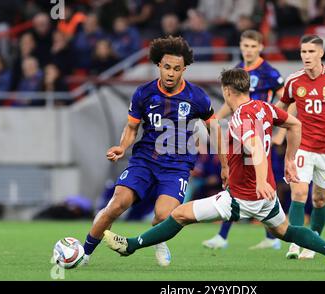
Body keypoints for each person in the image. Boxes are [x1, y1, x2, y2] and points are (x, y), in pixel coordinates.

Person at [103, 68, 325, 272]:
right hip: (268, 197)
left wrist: (260, 181)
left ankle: (131, 246)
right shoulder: (263, 107)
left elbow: (255, 147)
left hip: (243, 198)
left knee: (179, 214)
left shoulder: (239, 118)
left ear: (226, 91)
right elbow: (294, 124)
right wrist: (289, 159)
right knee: (286, 231)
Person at [80, 36, 227, 267]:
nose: (171, 73)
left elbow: (215, 130)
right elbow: (131, 128)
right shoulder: (143, 93)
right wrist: (122, 146)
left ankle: (159, 240)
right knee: (116, 205)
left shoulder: (197, 97)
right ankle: (84, 253)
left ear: (184, 69)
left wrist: (225, 165)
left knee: (163, 215)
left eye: (177, 69)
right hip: (145, 160)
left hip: (177, 165)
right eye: (167, 67)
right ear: (158, 64)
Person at [202, 29, 286, 250]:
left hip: (258, 135)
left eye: (252, 46)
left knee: (260, 182)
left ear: (260, 47)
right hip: (241, 131)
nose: (248, 50)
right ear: (240, 46)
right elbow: (232, 101)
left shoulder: (268, 71)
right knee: (237, 180)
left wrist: (279, 130)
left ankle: (272, 236)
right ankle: (266, 237)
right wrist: (215, 118)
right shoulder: (239, 70)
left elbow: (287, 99)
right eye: (245, 45)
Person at [275, 34, 325, 260]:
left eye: (311, 52)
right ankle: (295, 244)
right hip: (303, 146)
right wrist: (271, 123)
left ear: (321, 53)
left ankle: (313, 243)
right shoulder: (294, 80)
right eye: (303, 52)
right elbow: (282, 106)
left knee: (319, 199)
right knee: (299, 192)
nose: (306, 56)